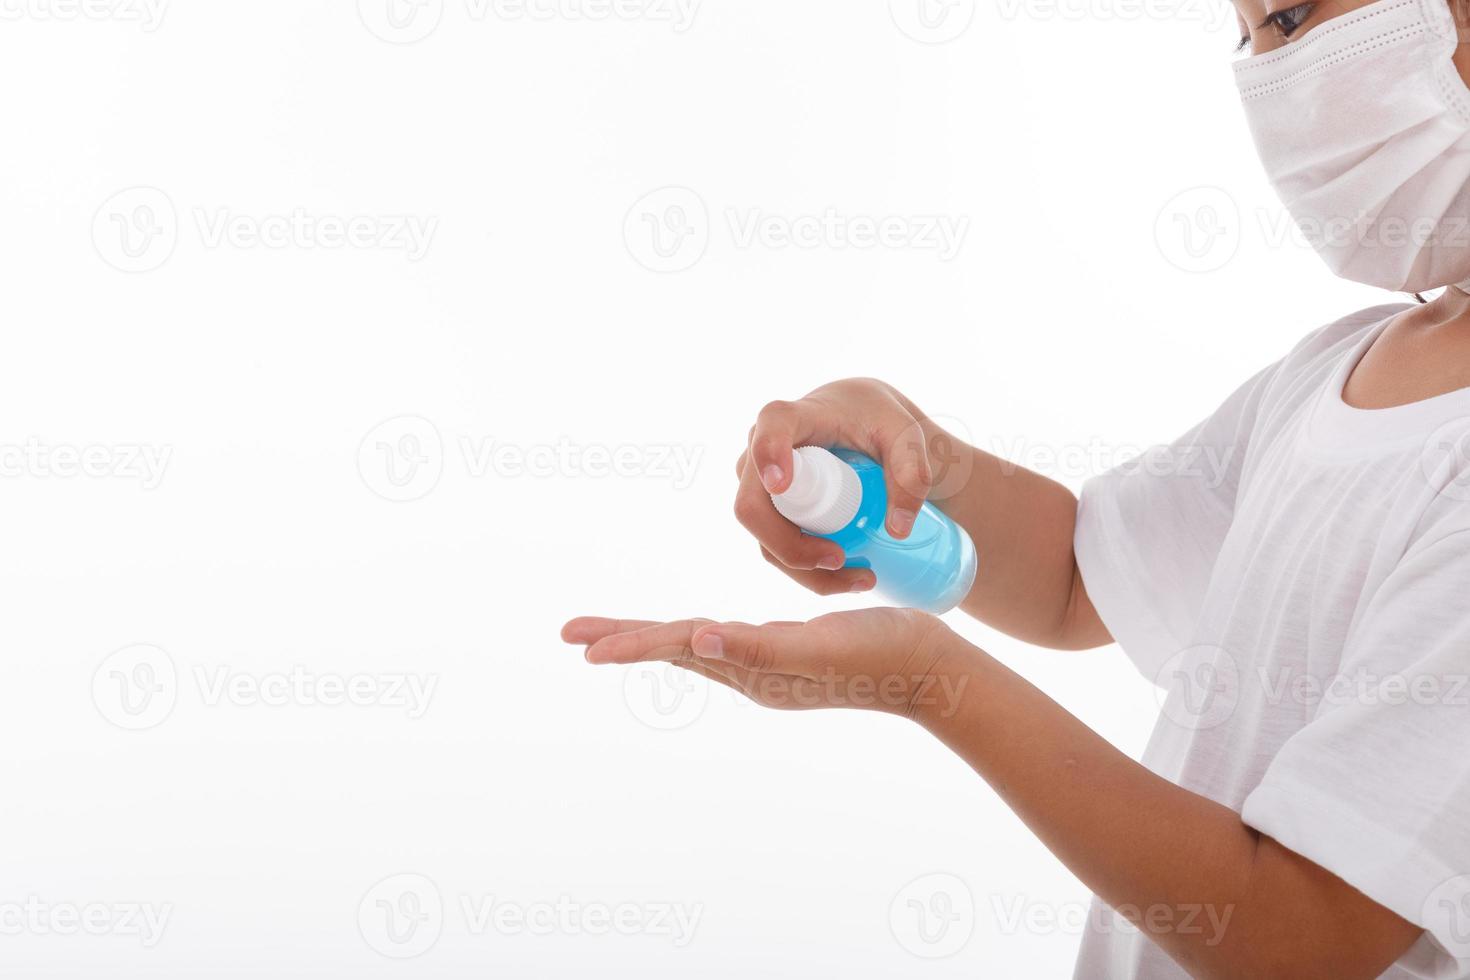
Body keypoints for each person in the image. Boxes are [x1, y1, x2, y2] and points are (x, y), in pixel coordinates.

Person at [563, 0, 1470, 974]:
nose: (1267, 69)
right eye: (1245, 32)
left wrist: (933, 684)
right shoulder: (1340, 369)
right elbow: (1079, 579)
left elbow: (1299, 935)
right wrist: (916, 450)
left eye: (1290, 15)